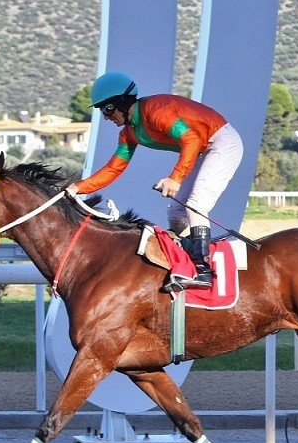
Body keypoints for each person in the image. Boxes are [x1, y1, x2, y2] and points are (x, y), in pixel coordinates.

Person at [66, 71, 244, 288]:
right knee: (176, 212)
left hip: (222, 142)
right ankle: (178, 256)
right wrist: (78, 188)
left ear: (123, 102)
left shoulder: (155, 110)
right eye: (102, 111)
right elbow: (113, 169)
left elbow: (191, 138)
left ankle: (203, 272)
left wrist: (175, 178)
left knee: (196, 205)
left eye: (108, 109)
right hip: (203, 149)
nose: (106, 116)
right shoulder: (128, 134)